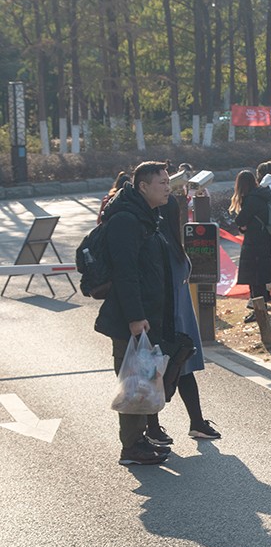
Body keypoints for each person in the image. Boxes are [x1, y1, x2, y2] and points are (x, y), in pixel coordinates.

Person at [94, 161, 175, 466]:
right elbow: (125, 272)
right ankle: (130, 447)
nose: (168, 188)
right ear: (143, 186)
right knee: (133, 379)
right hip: (131, 317)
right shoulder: (126, 220)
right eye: (162, 183)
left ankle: (139, 439)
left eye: (168, 181)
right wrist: (135, 317)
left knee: (143, 377)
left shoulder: (146, 215)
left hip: (147, 313)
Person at [146, 194, 221, 443]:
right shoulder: (167, 243)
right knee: (168, 369)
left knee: (170, 368)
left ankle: (186, 423)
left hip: (172, 314)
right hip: (173, 315)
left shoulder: (160, 240)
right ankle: (163, 426)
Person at [231, 170, 271, 322]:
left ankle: (259, 312)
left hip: (254, 244)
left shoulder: (252, 199)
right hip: (264, 240)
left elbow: (240, 220)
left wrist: (243, 226)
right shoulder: (263, 195)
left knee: (254, 279)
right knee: (260, 279)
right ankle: (260, 309)